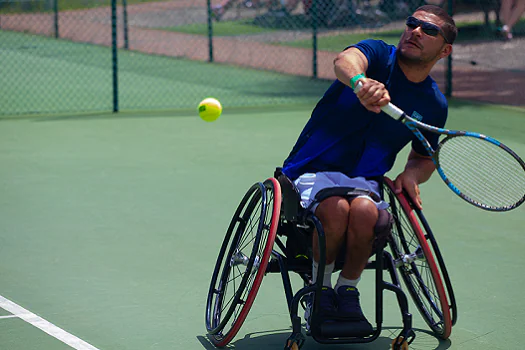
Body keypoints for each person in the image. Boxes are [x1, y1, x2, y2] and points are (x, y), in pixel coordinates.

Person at [281, 5, 457, 332]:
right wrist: (360, 83)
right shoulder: (377, 55)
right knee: (334, 210)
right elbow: (344, 62)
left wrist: (411, 175)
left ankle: (347, 291)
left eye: (428, 30)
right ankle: (319, 293)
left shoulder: (434, 105)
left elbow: (423, 156)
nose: (416, 31)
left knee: (365, 214)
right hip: (312, 171)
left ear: (445, 50)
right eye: (412, 24)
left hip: (365, 181)